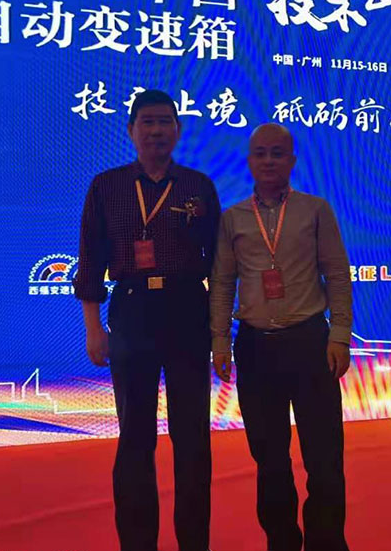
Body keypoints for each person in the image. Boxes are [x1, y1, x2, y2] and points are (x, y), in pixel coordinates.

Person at [74, 90, 220, 551]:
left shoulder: (198, 186)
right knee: (135, 437)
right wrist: (93, 328)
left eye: (165, 122)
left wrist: (220, 333)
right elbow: (90, 259)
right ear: (131, 130)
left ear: (178, 129)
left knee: (192, 437)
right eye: (148, 122)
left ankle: (194, 542)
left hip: (187, 311)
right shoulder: (107, 186)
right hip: (132, 311)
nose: (156, 130)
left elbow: (220, 264)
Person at [209, 123, 352, 551]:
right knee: (270, 460)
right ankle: (281, 542)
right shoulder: (233, 218)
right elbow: (222, 284)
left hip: (310, 344)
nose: (269, 161)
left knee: (324, 457)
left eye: (277, 153)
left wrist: (340, 335)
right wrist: (220, 341)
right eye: (260, 153)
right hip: (256, 348)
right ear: (249, 161)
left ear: (292, 160)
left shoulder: (316, 210)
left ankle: (327, 542)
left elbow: (337, 274)